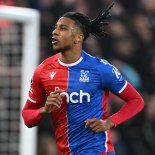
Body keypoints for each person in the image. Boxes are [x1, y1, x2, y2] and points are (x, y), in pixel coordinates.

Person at [22, 3, 144, 155]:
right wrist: (45, 110)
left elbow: (136, 101)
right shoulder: (43, 70)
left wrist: (110, 122)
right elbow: (27, 117)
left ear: (78, 37)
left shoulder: (100, 68)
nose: (55, 32)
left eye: (63, 28)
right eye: (55, 27)